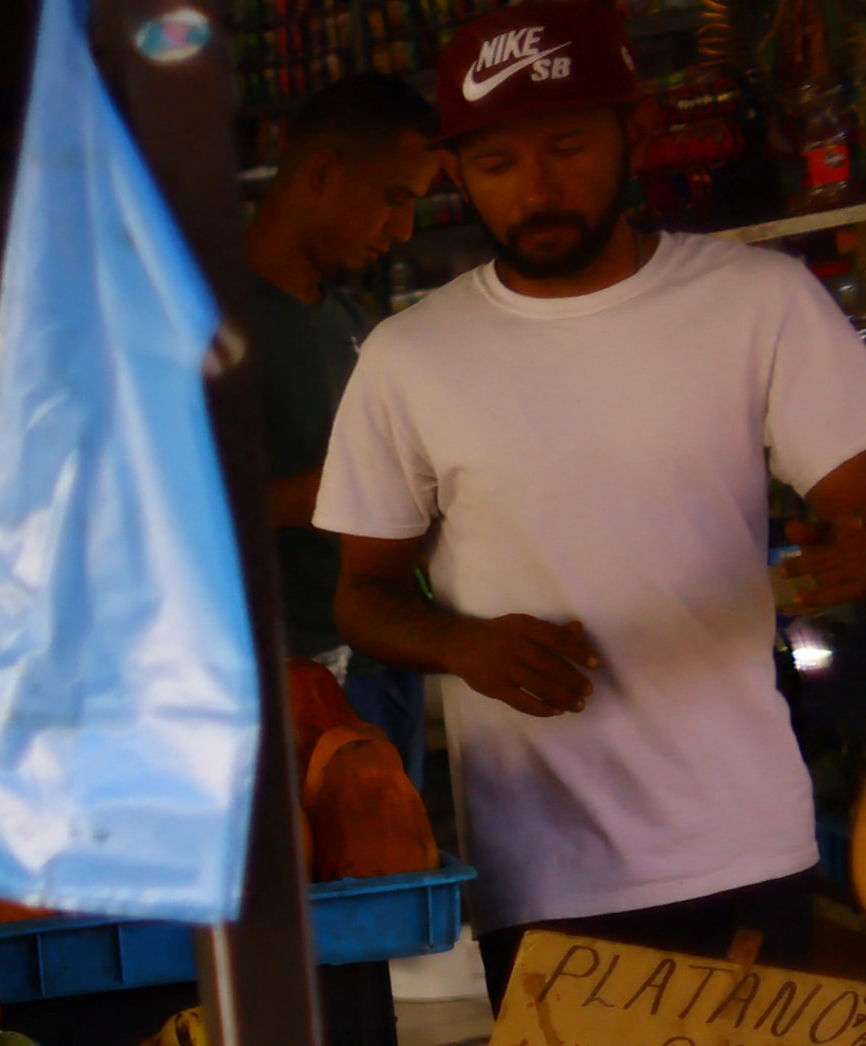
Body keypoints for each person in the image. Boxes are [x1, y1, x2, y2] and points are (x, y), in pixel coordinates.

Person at [321, 2, 866, 987]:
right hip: (542, 878)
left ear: (636, 132)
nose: (535, 189)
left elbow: (853, 493)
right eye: (494, 165)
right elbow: (360, 591)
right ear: (452, 173)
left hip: (743, 842)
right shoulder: (407, 360)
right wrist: (459, 643)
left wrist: (849, 544)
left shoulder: (757, 302)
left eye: (566, 147)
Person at [241, 73, 441, 765]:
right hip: (278, 684)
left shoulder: (354, 324)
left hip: (383, 658)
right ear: (322, 172)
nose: (404, 229)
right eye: (393, 199)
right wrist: (329, 494)